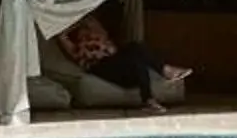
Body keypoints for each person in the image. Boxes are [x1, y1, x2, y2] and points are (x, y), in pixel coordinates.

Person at [55, 9, 190, 113]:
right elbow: (61, 35)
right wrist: (72, 24)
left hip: (117, 58)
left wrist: (83, 19)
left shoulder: (96, 31)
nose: (87, 32)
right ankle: (149, 101)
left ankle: (165, 70)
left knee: (136, 47)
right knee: (137, 64)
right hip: (101, 65)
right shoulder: (76, 46)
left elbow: (93, 22)